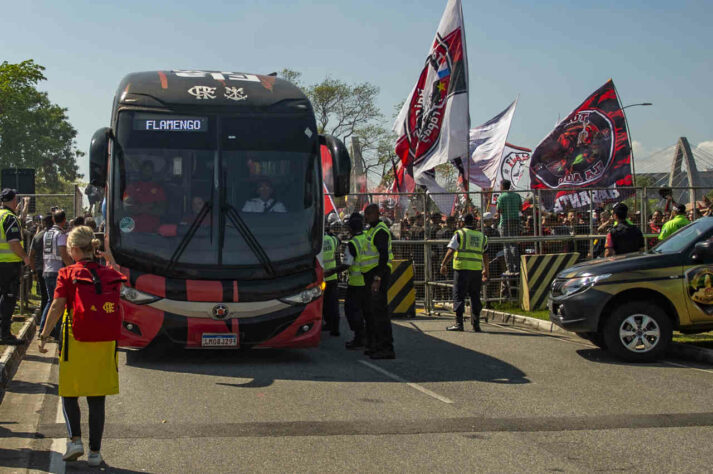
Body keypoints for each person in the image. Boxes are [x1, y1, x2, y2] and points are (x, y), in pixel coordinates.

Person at [38, 226, 125, 467]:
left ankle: (75, 440)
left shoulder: (67, 273)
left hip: (75, 338)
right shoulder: (108, 273)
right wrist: (110, 259)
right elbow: (121, 283)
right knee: (97, 398)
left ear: (75, 249)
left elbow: (56, 307)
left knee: (69, 392)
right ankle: (95, 453)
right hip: (105, 341)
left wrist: (44, 335)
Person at [440, 214, 489, 332]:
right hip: (476, 270)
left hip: (461, 270)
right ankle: (476, 324)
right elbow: (486, 254)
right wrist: (486, 269)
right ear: (474, 222)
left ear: (462, 222)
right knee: (475, 296)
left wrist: (443, 264)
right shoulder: (482, 236)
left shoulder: (460, 234)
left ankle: (459, 323)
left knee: (459, 296)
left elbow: (451, 250)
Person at [362, 204, 395, 359]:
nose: (366, 216)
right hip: (372, 274)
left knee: (380, 313)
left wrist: (377, 278)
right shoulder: (371, 230)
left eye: (368, 214)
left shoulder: (380, 230)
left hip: (378, 275)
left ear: (376, 214)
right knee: (373, 312)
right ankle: (376, 345)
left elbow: (383, 257)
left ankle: (386, 348)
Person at [0, 189, 31, 344]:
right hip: (8, 264)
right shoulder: (10, 218)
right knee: (9, 299)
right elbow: (13, 243)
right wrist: (25, 257)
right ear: (14, 201)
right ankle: (4, 334)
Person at [336, 213, 369, 349]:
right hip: (368, 281)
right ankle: (367, 337)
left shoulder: (352, 243)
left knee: (351, 311)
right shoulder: (367, 237)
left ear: (350, 229)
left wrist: (331, 271)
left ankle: (359, 337)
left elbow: (347, 264)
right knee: (366, 311)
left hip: (356, 284)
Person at [39, 209, 73, 339]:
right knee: (58, 302)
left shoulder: (47, 233)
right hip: (57, 271)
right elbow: (63, 254)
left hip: (47, 269)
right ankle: (56, 331)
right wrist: (72, 267)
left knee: (50, 301)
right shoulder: (60, 235)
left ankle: (44, 328)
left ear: (53, 219)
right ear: (64, 221)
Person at [122, 160, 167, 232]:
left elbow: (161, 211)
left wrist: (139, 206)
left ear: (153, 172)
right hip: (133, 231)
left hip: (154, 231)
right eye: (145, 170)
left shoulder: (158, 189)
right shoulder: (131, 188)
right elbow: (127, 208)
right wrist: (149, 207)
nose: (147, 172)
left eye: (149, 170)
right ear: (141, 171)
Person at [29, 215, 54, 319]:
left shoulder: (37, 236)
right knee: (52, 296)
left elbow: (31, 255)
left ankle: (43, 318)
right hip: (52, 268)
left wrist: (33, 271)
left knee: (44, 296)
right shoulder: (55, 235)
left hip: (40, 268)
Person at [320, 217, 341, 336]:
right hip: (332, 277)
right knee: (333, 304)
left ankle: (326, 324)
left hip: (320, 277)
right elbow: (339, 242)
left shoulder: (315, 240)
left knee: (321, 304)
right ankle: (334, 328)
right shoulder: (332, 239)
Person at [496, 180, 521, 274]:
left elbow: (499, 210)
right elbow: (520, 208)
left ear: (502, 186)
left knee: (506, 246)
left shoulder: (501, 197)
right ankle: (517, 267)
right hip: (515, 221)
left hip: (505, 222)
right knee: (514, 245)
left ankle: (510, 268)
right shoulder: (517, 195)